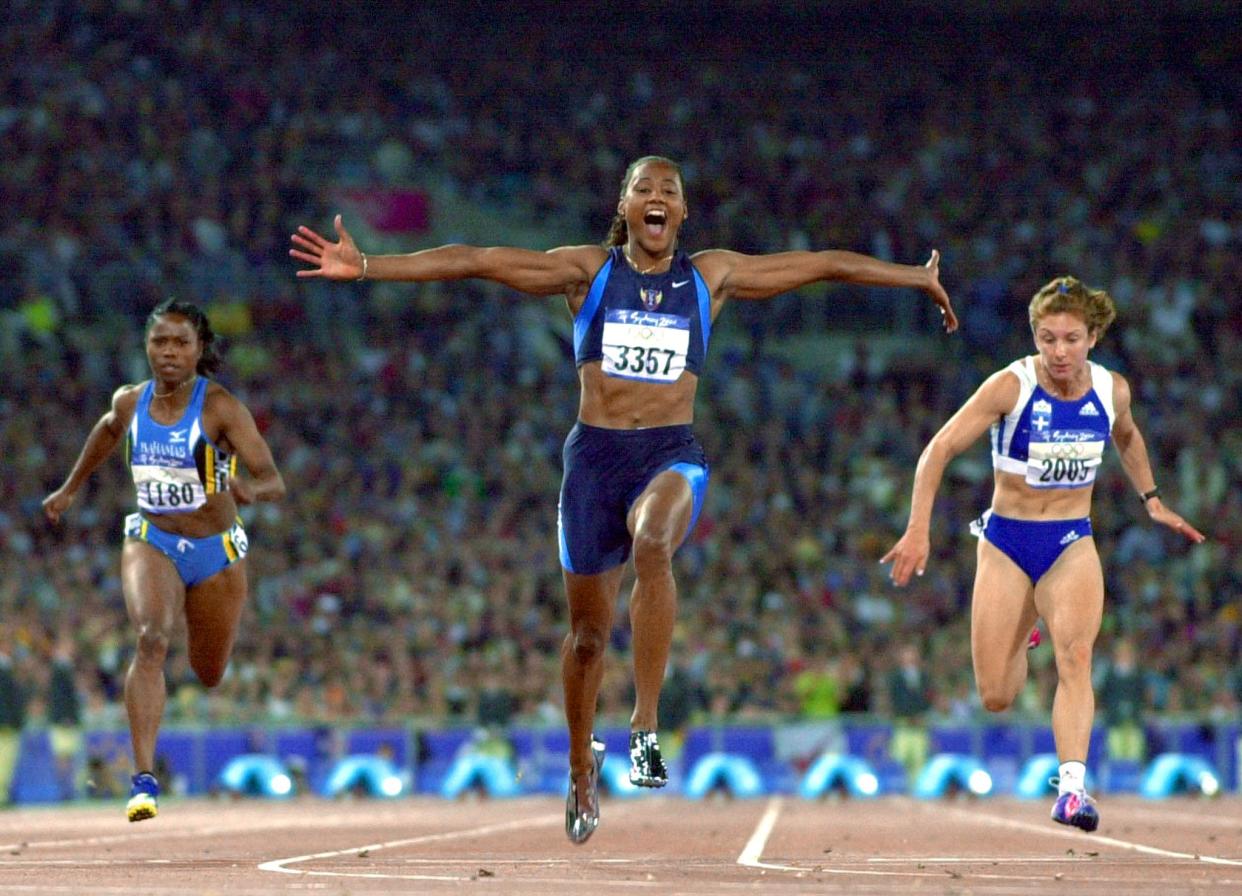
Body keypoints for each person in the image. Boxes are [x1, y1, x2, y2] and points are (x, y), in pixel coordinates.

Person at [290, 155, 958, 843]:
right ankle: (582, 765)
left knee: (653, 541)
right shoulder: (587, 272)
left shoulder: (710, 276)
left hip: (670, 455)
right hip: (594, 464)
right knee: (584, 638)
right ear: (626, 205)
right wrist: (369, 266)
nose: (659, 197)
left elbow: (822, 265)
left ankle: (644, 722)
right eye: (646, 188)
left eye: (671, 189)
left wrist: (913, 277)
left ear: (684, 212)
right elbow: (478, 258)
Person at [882, 275, 1205, 832]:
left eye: (1071, 339)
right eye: (1048, 338)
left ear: (1093, 337)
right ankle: (1024, 627)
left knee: (1076, 657)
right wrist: (918, 530)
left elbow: (1125, 436)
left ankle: (1073, 790)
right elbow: (938, 449)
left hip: (1069, 542)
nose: (1059, 351)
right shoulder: (1010, 386)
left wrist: (1151, 498)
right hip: (1007, 543)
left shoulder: (1111, 390)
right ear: (1034, 336)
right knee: (997, 695)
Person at [43, 299, 286, 821]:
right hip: (151, 539)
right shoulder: (131, 402)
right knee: (151, 638)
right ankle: (144, 780)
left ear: (199, 350)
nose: (169, 352)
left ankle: (155, 759)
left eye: (180, 343)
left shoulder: (220, 407)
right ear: (146, 347)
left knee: (209, 671)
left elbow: (274, 479)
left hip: (215, 553)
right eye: (159, 342)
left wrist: (248, 489)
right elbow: (108, 430)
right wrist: (68, 490)